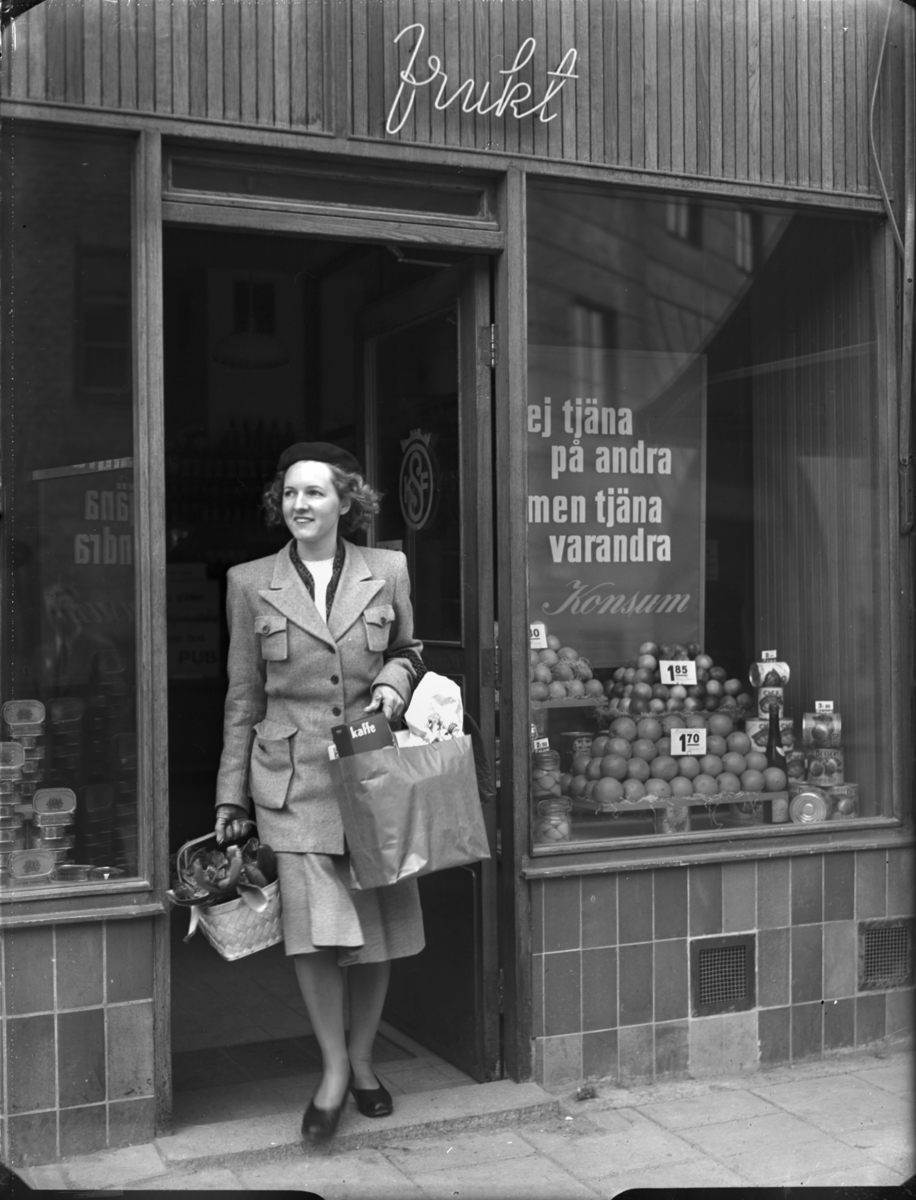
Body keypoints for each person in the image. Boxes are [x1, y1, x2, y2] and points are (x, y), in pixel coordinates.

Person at [213, 441, 425, 1144]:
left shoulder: (386, 570)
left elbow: (409, 651)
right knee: (312, 934)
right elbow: (242, 695)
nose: (299, 505)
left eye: (315, 493)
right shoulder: (250, 582)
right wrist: (230, 797)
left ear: (346, 502)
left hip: (370, 775)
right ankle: (333, 1070)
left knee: (376, 932)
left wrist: (391, 687)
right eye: (290, 493)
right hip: (292, 783)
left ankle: (364, 1062)